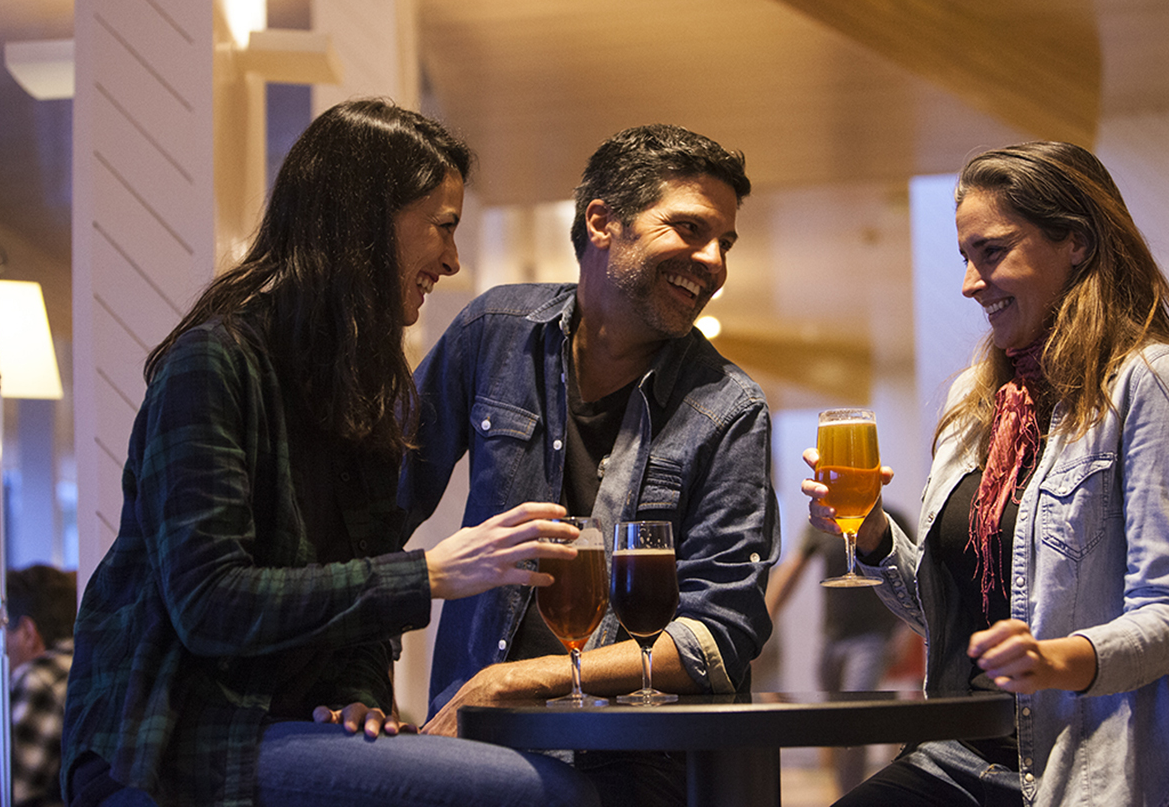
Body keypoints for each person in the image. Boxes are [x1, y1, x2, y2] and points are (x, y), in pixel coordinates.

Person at [60, 98, 600, 807]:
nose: (452, 258)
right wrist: (428, 574)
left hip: (282, 730)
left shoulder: (364, 389)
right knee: (550, 797)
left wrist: (357, 696)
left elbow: (356, 620)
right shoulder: (212, 365)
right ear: (367, 221)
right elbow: (208, 604)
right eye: (442, 227)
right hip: (176, 743)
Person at [804, 141, 1169, 807]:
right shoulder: (975, 399)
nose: (971, 283)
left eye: (993, 252)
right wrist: (874, 533)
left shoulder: (1155, 384)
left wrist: (1058, 660)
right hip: (957, 753)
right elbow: (943, 615)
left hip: (1091, 763)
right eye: (967, 258)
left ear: (1077, 243)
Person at [401, 124, 779, 805]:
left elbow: (718, 640)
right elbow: (377, 503)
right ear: (602, 221)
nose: (714, 260)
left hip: (640, 768)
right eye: (691, 228)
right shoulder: (495, 333)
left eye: (725, 242)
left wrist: (522, 678)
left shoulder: (729, 408)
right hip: (479, 746)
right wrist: (352, 680)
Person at [765, 508, 914, 795]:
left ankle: (852, 795)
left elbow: (914, 575)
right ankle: (839, 794)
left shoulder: (893, 519)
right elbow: (794, 569)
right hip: (832, 640)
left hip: (873, 638)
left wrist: (906, 629)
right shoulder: (823, 524)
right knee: (835, 725)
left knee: (854, 719)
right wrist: (765, 619)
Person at [0, 565, 77, 807]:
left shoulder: (42, 676)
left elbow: (0, 796)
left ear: (28, 632)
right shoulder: (85, 663)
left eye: (0, 634)